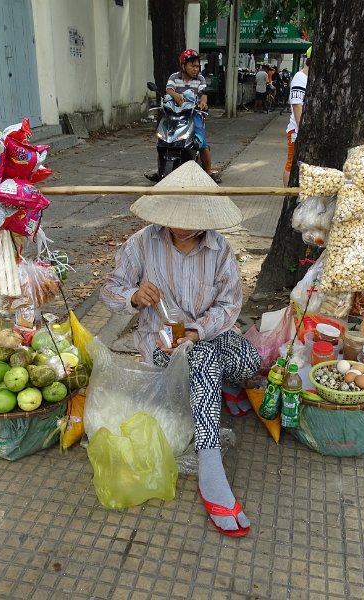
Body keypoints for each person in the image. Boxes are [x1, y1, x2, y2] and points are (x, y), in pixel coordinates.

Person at [100, 164, 260, 537]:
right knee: (202, 361)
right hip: (160, 342)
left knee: (249, 360)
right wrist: (133, 297)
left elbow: (230, 305)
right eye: (175, 218)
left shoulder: (220, 249)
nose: (182, 226)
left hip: (206, 333)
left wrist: (197, 329)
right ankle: (209, 461)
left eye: (191, 219)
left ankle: (221, 383)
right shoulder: (143, 242)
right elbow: (111, 290)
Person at [164, 49, 221, 183]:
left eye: (197, 66)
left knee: (201, 142)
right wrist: (175, 95)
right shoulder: (174, 77)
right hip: (175, 114)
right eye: (192, 66)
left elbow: (203, 93)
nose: (196, 69)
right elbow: (168, 89)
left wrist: (203, 103)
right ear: (183, 66)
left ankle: (208, 172)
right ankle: (161, 170)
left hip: (193, 114)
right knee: (163, 141)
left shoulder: (200, 79)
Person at [284, 47, 311, 186]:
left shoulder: (309, 78)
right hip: (296, 130)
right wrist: (302, 130)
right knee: (291, 164)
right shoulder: (300, 78)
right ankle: (287, 196)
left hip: (304, 130)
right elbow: (296, 105)